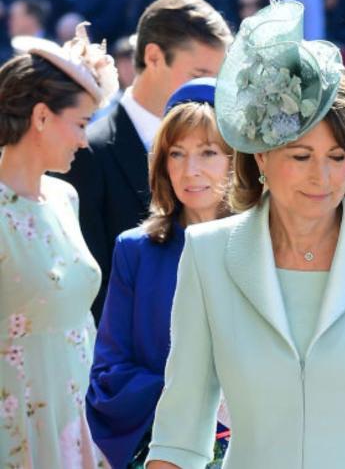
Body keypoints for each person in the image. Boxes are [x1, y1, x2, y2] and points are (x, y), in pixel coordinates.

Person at [144, 0, 345, 468]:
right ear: (260, 157)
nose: (322, 177)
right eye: (301, 157)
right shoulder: (208, 254)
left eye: (338, 157)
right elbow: (181, 428)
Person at [86, 80, 234, 468]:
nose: (191, 171)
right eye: (177, 154)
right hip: (163, 449)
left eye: (208, 152)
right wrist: (194, 396)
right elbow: (108, 374)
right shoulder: (135, 250)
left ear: (237, 160)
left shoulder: (267, 246)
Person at [60, 0, 231, 322]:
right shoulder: (88, 154)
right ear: (153, 57)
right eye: (199, 74)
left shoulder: (233, 150)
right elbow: (89, 289)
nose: (212, 89)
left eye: (219, 78)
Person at [0, 23, 118, 468]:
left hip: (77, 422)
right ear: (42, 117)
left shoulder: (66, 197)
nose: (85, 140)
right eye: (82, 123)